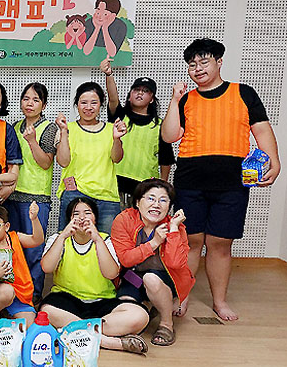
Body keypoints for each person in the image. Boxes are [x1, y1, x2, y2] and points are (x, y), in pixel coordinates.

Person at [161, 38, 281, 321]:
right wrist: (174, 100)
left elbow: (262, 130)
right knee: (190, 240)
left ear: (219, 62)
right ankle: (182, 297)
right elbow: (169, 136)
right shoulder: (186, 99)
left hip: (231, 183)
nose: (198, 68)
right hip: (190, 181)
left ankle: (219, 301)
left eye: (204, 62)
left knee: (220, 242)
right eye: (192, 64)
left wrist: (274, 162)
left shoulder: (243, 93)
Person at [40, 197, 150, 354]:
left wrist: (97, 239)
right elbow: (47, 267)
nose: (82, 217)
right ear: (69, 219)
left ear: (95, 219)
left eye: (87, 213)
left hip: (102, 301)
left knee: (140, 316)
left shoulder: (105, 240)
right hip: (67, 300)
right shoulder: (58, 238)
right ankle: (108, 341)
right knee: (47, 312)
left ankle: (75, 332)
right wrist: (63, 236)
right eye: (76, 214)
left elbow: (111, 273)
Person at [111, 179, 195, 346]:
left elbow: (176, 264)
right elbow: (126, 259)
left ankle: (167, 324)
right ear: (137, 202)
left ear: (169, 206)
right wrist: (154, 243)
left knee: (151, 279)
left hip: (165, 278)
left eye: (163, 200)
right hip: (133, 277)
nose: (156, 205)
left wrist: (173, 230)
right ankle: (150, 305)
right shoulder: (124, 220)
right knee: (125, 307)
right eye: (150, 198)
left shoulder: (175, 227)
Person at [6, 82, 58, 307]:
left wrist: (32, 141)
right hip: (11, 195)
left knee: (35, 250)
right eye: (26, 98)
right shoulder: (14, 127)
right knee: (13, 248)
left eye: (35, 100)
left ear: (43, 105)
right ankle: (15, 294)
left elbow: (46, 162)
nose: (29, 103)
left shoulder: (49, 128)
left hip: (37, 197)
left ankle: (34, 294)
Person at [100, 58, 176, 207]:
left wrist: (162, 186)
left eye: (146, 91)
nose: (140, 93)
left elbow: (166, 159)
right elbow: (113, 98)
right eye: (136, 90)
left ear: (152, 99)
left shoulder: (160, 126)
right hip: (114, 183)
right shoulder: (120, 116)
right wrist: (109, 74)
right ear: (130, 95)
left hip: (144, 188)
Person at [56, 82, 126, 234]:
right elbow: (63, 161)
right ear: (77, 104)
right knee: (68, 241)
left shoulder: (111, 129)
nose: (88, 107)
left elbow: (117, 158)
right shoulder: (67, 128)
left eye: (94, 103)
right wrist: (63, 132)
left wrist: (116, 139)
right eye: (84, 103)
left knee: (106, 243)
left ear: (101, 105)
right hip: (75, 194)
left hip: (107, 196)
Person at [0, 203, 43, 327]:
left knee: (28, 326)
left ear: (6, 226)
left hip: (19, 294)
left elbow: (37, 240)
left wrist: (34, 219)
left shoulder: (14, 238)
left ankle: (7, 313)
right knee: (6, 292)